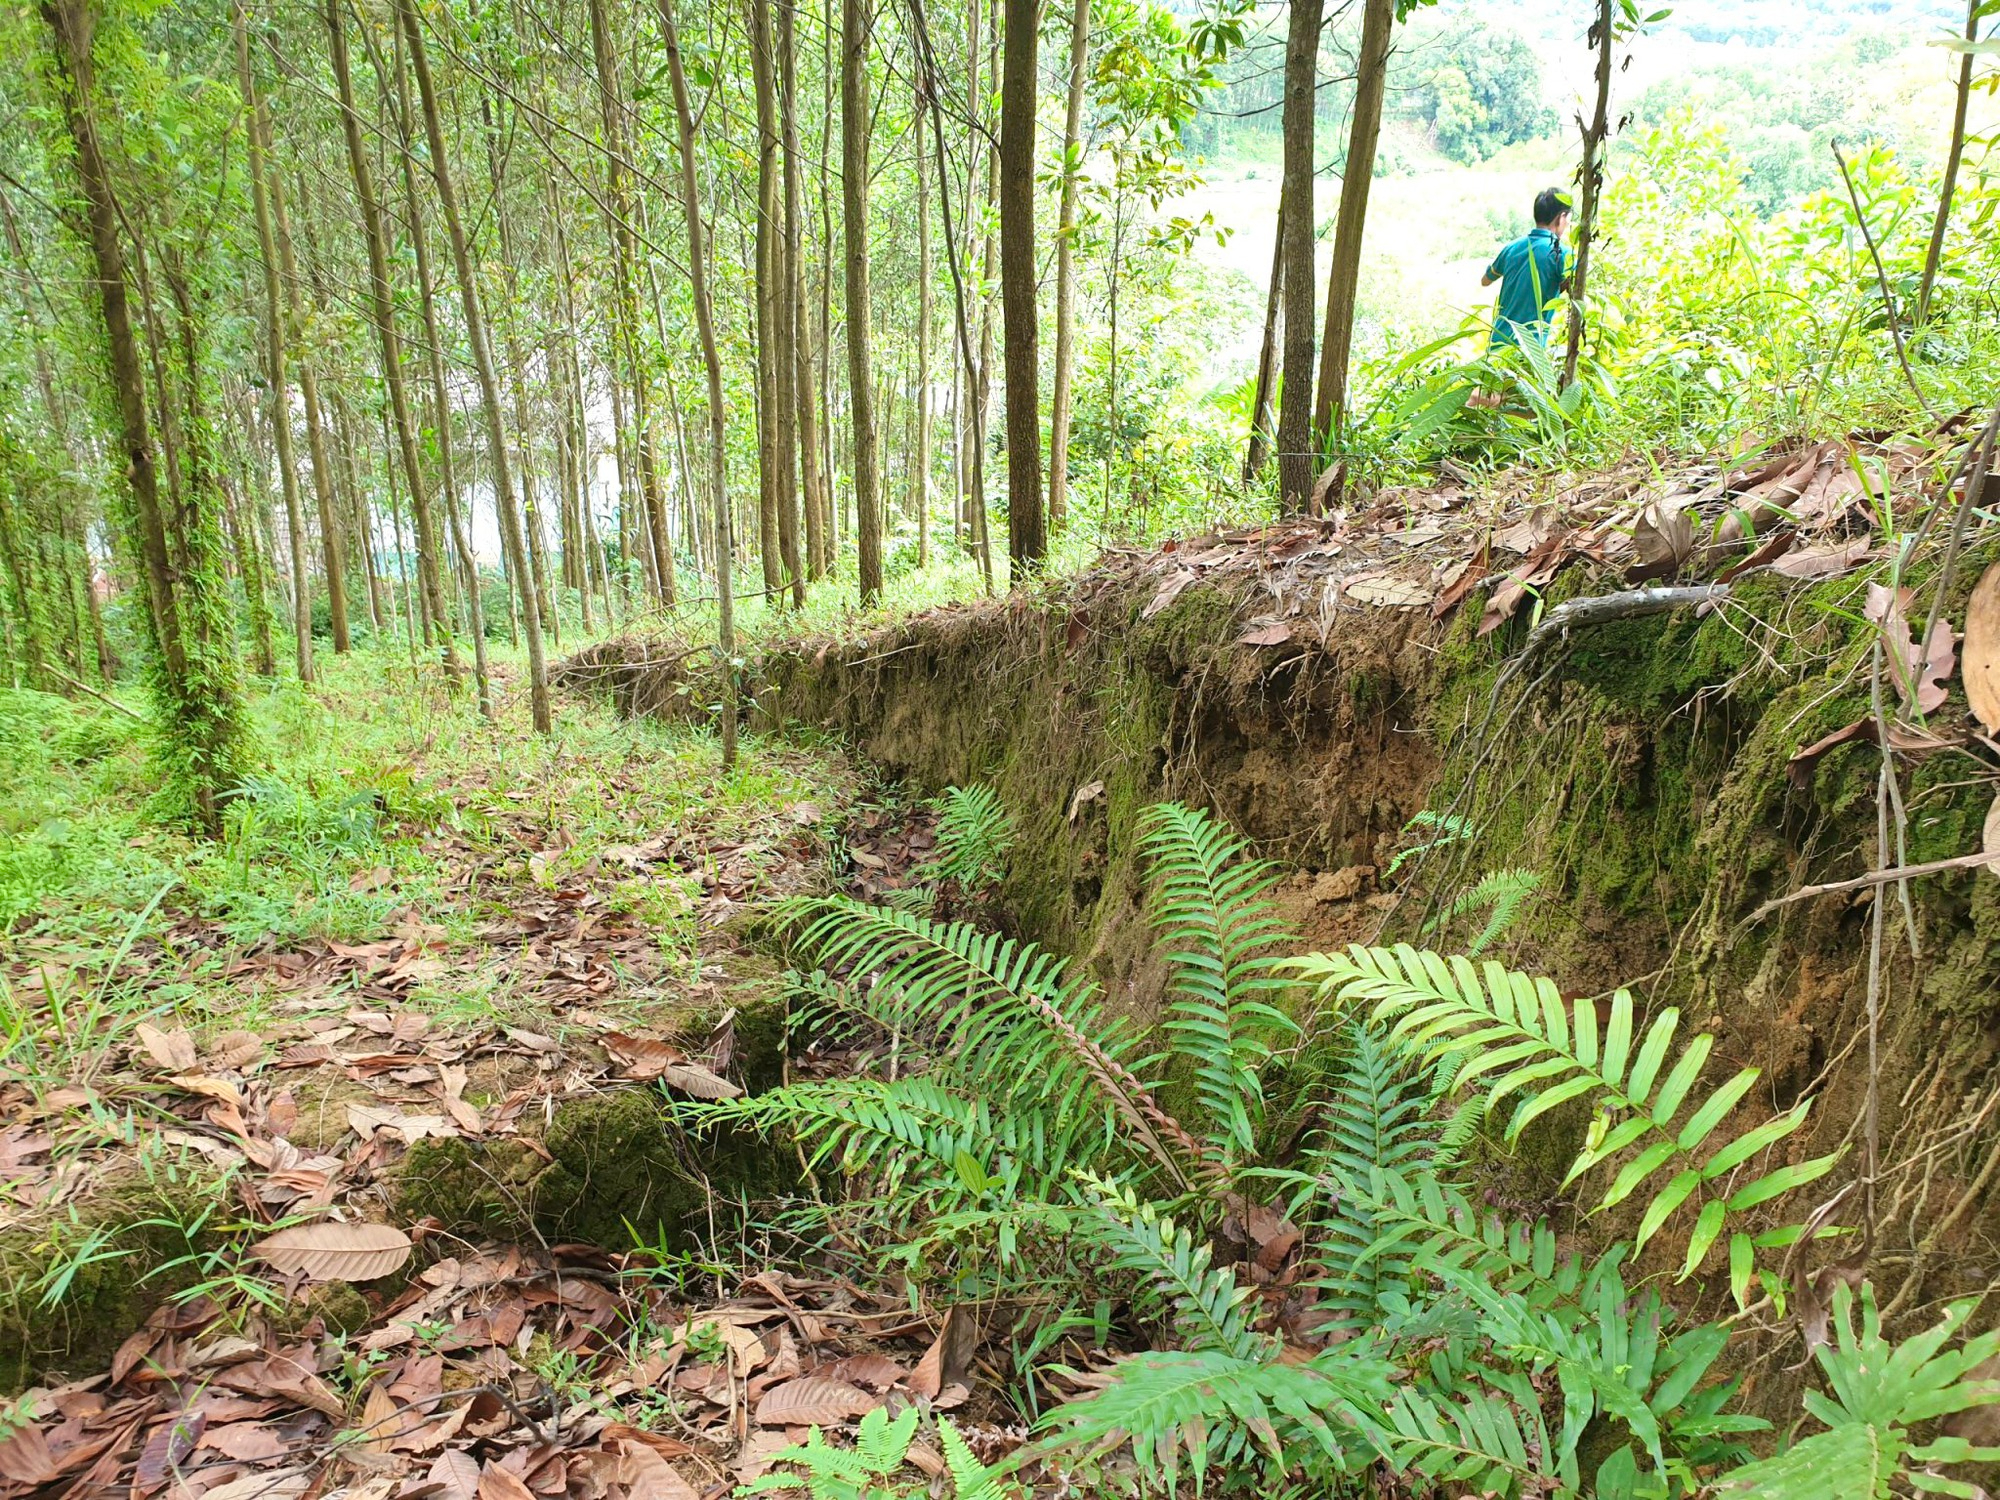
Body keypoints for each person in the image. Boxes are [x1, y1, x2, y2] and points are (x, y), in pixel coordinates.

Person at [1483, 187, 1572, 350]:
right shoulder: (1563, 254)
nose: (1567, 224)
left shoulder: (1512, 247)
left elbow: (1485, 280)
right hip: (1530, 351)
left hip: (1497, 343)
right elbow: (1575, 289)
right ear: (1561, 218)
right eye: (1568, 219)